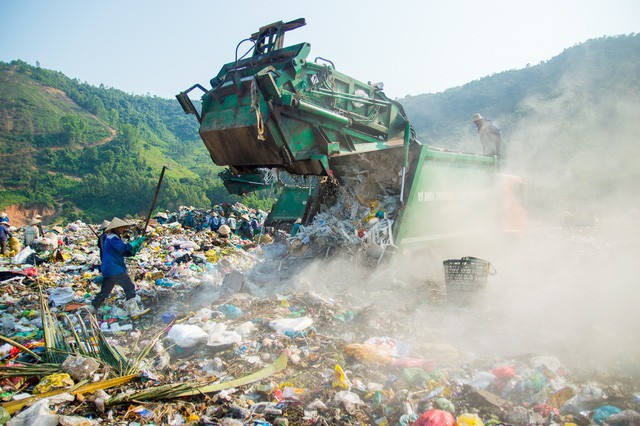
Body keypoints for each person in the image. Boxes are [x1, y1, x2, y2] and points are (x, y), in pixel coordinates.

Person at [90, 217, 147, 317]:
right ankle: (133, 311)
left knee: (105, 290)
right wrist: (135, 242)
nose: (122, 230)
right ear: (115, 228)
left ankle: (92, 308)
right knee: (129, 286)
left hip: (108, 268)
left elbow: (122, 252)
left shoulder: (110, 238)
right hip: (114, 268)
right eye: (121, 228)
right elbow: (122, 248)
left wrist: (133, 251)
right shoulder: (113, 238)